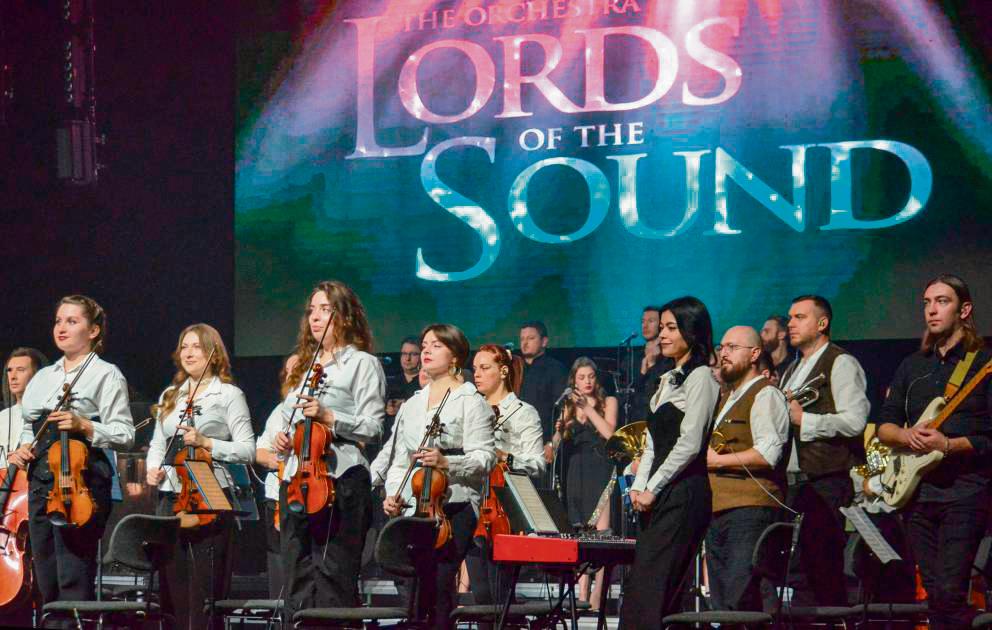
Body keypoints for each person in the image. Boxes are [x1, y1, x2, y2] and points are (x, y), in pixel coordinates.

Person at [875, 274, 992, 629]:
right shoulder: (913, 365)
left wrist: (948, 445)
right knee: (931, 592)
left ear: (965, 309)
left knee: (949, 590)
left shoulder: (984, 364)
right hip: (918, 494)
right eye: (927, 302)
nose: (931, 310)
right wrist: (906, 435)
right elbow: (885, 425)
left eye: (942, 301)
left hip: (965, 491)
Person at [9, 295, 135, 607]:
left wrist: (85, 425)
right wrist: (23, 448)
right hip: (41, 480)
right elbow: (29, 426)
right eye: (58, 321)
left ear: (93, 331)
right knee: (45, 572)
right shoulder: (44, 377)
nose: (61, 328)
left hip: (83, 479)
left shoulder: (106, 373)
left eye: (72, 321)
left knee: (73, 573)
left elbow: (125, 434)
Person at [271, 281, 387, 617]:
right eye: (312, 311)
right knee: (296, 574)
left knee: (334, 575)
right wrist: (283, 437)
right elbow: (288, 416)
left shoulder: (362, 363)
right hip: (296, 477)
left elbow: (374, 427)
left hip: (341, 477)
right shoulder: (304, 366)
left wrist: (329, 416)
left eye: (326, 310)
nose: (316, 318)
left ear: (345, 317)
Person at [381, 324, 496, 630]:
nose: (426, 350)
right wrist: (394, 494)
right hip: (415, 508)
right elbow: (399, 462)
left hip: (454, 506)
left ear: (455, 356)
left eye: (436, 345)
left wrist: (449, 463)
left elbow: (485, 458)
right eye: (425, 344)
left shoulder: (471, 401)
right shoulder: (412, 405)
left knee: (442, 586)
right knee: (416, 591)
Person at [145, 323, 255, 629]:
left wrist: (207, 443)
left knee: (204, 589)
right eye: (184, 346)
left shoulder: (229, 394)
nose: (189, 352)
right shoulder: (171, 395)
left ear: (213, 353)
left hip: (210, 492)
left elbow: (248, 449)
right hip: (171, 494)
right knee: (173, 585)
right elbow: (158, 442)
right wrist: (153, 468)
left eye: (196, 346)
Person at [621, 296, 720, 628]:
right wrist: (638, 487)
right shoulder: (668, 378)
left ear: (691, 332)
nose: (662, 335)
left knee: (655, 586)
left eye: (670, 328)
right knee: (643, 585)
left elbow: (690, 443)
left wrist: (655, 487)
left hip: (683, 492)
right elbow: (651, 443)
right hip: (658, 493)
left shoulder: (702, 377)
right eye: (661, 327)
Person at [779, 295, 870, 606]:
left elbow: (856, 421)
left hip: (828, 481)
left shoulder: (840, 362)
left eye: (799, 317)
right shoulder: (793, 368)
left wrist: (806, 420)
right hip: (798, 483)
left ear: (822, 323)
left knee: (824, 569)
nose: (790, 323)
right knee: (800, 573)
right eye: (789, 317)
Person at [705, 326, 789, 611]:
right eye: (721, 347)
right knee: (723, 597)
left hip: (750, 508)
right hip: (719, 508)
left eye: (731, 347)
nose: (723, 354)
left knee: (743, 594)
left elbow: (768, 453)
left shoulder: (765, 395)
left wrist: (716, 461)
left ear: (754, 354)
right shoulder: (728, 398)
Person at [467, 343, 545, 616]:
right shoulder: (471, 411)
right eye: (475, 368)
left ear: (503, 371)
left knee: (499, 597)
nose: (476, 374)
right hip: (472, 506)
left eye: (484, 368)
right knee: (480, 597)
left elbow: (537, 464)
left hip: (503, 511)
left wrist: (505, 456)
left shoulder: (524, 412)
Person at [552, 357, 617, 608]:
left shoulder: (607, 401)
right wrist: (559, 430)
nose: (587, 381)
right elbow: (557, 444)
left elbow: (610, 434)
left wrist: (588, 409)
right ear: (574, 380)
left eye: (591, 376)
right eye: (582, 377)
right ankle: (580, 596)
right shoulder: (568, 404)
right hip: (574, 471)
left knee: (601, 535)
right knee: (578, 531)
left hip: (600, 467)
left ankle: (598, 596)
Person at [517, 321, 567, 476]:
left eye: (530, 338)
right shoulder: (516, 369)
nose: (525, 343)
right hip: (517, 444)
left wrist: (552, 442)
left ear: (544, 341)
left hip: (542, 444)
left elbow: (563, 408)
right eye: (522, 338)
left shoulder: (555, 369)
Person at [1, 347, 49, 466]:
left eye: (20, 370)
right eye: (10, 370)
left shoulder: (47, 414)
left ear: (37, 375)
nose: (13, 376)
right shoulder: (2, 417)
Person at [632, 306, 675, 423]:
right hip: (635, 420)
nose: (644, 326)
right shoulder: (632, 358)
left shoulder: (669, 357)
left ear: (661, 325)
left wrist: (652, 365)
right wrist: (643, 371)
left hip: (659, 421)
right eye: (642, 321)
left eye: (651, 321)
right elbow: (630, 392)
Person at [760, 315, 794, 382]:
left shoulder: (794, 366)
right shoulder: (759, 363)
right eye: (761, 332)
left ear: (781, 335)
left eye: (766, 331)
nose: (761, 335)